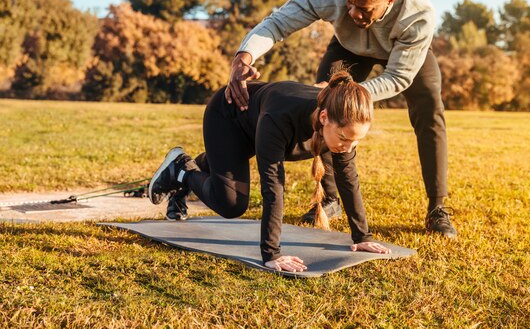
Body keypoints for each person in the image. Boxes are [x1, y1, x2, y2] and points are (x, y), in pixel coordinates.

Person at [225, 0, 457, 238]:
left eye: (364, 7)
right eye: (350, 1)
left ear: (390, 1)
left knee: (430, 109)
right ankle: (331, 198)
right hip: (348, 48)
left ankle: (437, 208)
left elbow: (398, 77)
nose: (353, 12)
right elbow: (278, 23)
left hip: (403, 55)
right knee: (322, 108)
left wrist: (343, 94)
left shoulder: (418, 15)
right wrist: (244, 54)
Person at [148, 71, 391, 272]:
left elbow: (348, 180)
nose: (348, 147)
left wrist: (363, 237)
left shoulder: (341, 121)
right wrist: (272, 254)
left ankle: (193, 173)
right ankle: (182, 169)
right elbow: (273, 187)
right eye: (344, 138)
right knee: (231, 204)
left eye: (356, 141)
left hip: (256, 122)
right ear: (325, 117)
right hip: (228, 117)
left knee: (225, 173)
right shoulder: (281, 119)